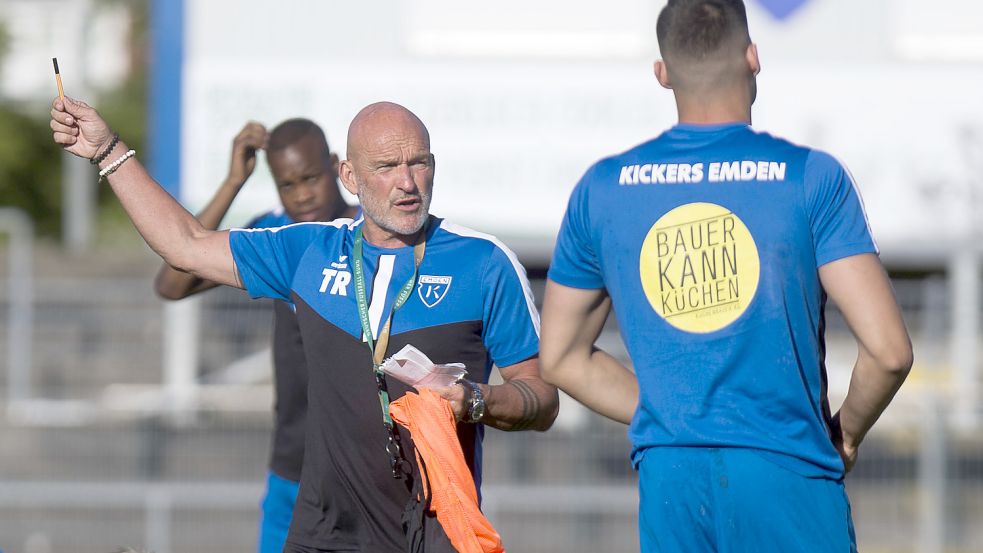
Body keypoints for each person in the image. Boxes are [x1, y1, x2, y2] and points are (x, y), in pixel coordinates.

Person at [50, 98, 559, 553]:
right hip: (323, 533)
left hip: (438, 532)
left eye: (418, 163)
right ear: (350, 177)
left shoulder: (486, 263)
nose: (407, 183)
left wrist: (478, 400)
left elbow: (542, 399)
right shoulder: (309, 249)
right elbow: (185, 245)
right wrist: (108, 151)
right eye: (386, 167)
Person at [539, 1, 913, 551]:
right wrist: (846, 435)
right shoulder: (811, 178)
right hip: (788, 470)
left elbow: (561, 359)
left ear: (662, 74)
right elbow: (889, 353)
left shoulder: (601, 189)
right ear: (753, 58)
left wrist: (675, 412)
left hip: (671, 479)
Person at [153, 118, 358, 553]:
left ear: (338, 167)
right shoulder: (274, 233)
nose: (301, 194)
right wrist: (232, 183)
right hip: (290, 466)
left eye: (311, 178)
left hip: (357, 471)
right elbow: (173, 284)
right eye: (287, 184)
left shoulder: (369, 236)